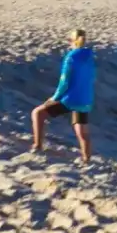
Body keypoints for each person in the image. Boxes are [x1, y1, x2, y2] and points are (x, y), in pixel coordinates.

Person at [31, 29, 96, 163]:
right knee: (82, 132)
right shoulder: (89, 57)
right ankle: (86, 160)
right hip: (85, 100)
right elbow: (92, 78)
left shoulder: (71, 57)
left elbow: (64, 82)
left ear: (72, 41)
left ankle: (37, 145)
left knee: (38, 113)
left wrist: (54, 98)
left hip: (70, 99)